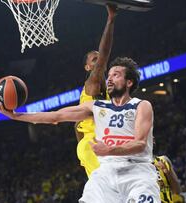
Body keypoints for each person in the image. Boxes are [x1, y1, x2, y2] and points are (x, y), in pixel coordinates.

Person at [0, 57, 160, 202]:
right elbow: (56, 116)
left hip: (137, 172)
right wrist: (16, 116)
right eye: (108, 75)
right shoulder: (96, 107)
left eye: (115, 75)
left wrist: (109, 149)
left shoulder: (141, 105)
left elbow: (140, 144)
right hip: (106, 174)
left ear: (129, 82)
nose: (108, 79)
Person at [74, 4, 117, 177]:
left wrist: (82, 150)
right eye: (94, 59)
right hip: (94, 145)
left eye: (98, 58)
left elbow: (76, 124)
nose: (98, 60)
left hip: (96, 144)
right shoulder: (92, 83)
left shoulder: (106, 88)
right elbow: (105, 54)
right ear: (87, 67)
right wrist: (110, 20)